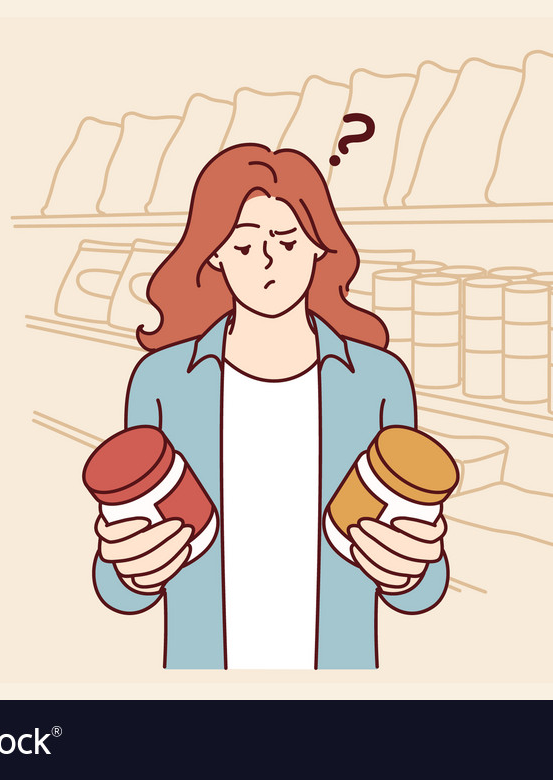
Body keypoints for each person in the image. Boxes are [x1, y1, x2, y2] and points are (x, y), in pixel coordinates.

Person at [91, 143, 449, 669]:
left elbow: (417, 590)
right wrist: (126, 564)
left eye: (286, 241)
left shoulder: (378, 381)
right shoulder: (162, 382)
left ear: (318, 248)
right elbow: (124, 590)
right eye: (243, 247)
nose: (267, 263)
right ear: (212, 253)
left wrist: (416, 565)